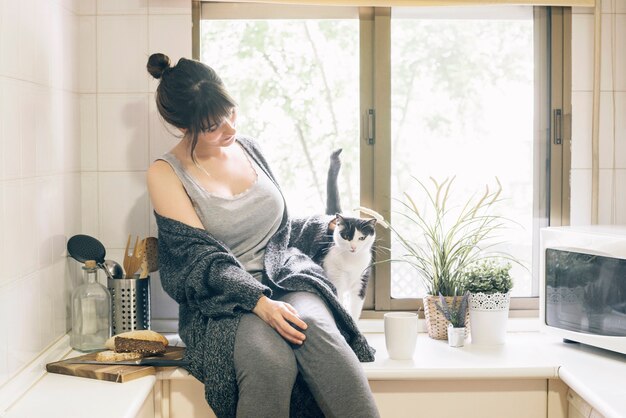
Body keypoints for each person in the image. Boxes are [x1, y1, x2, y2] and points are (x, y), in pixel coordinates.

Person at [146, 53, 380, 418]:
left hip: (284, 274)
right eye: (212, 126)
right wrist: (258, 301)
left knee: (324, 339)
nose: (229, 128)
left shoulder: (249, 148)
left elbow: (277, 230)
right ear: (184, 127)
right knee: (270, 363)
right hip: (223, 302)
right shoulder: (166, 173)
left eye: (231, 113)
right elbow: (196, 260)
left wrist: (325, 227)